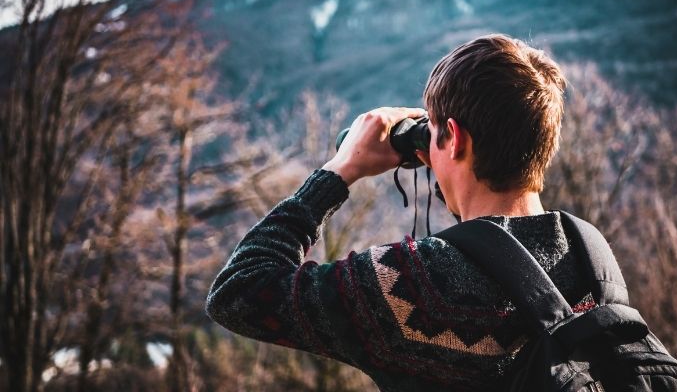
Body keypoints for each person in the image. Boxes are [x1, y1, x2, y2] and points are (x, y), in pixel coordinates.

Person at [206, 34, 593, 391]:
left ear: (454, 138)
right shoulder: (590, 262)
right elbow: (499, 255)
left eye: (434, 130)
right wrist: (451, 171)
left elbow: (239, 291)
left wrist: (339, 171)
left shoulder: (415, 290)